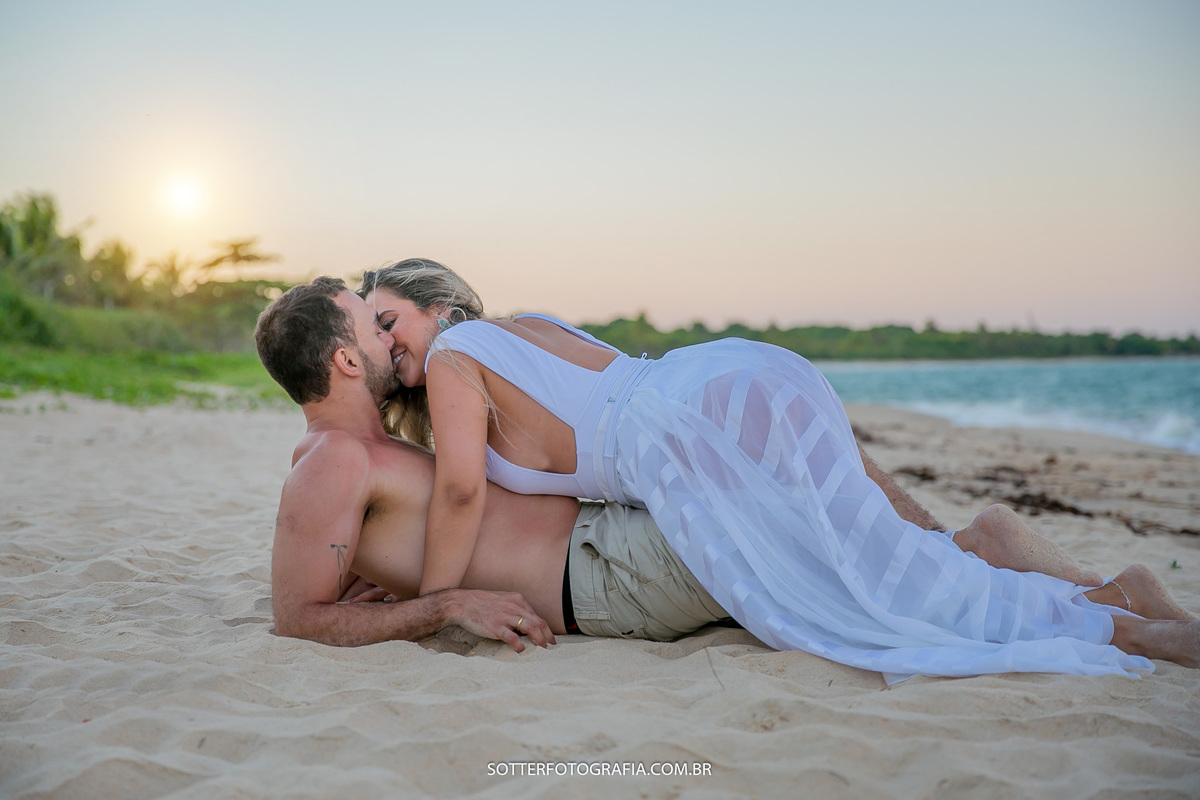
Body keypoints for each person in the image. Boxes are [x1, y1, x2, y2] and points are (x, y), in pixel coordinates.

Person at [254, 276, 1193, 657]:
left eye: (390, 321)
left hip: (631, 531)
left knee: (876, 581)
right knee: (874, 555)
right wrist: (438, 602)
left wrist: (424, 592)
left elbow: (444, 509)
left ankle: (1106, 618)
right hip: (627, 540)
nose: (387, 344)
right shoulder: (335, 460)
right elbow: (301, 617)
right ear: (344, 360)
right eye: (368, 327)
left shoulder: (386, 439)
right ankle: (1079, 596)